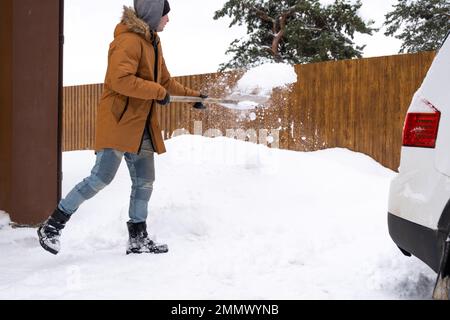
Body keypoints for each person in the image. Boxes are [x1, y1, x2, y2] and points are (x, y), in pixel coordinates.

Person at [38, 0, 207, 255]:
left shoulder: (153, 43)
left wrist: (194, 97)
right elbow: (120, 80)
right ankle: (52, 226)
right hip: (119, 122)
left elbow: (165, 82)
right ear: (152, 15)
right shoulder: (128, 41)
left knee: (145, 182)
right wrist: (156, 91)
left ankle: (138, 238)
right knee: (100, 178)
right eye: (165, 15)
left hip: (142, 125)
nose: (168, 20)